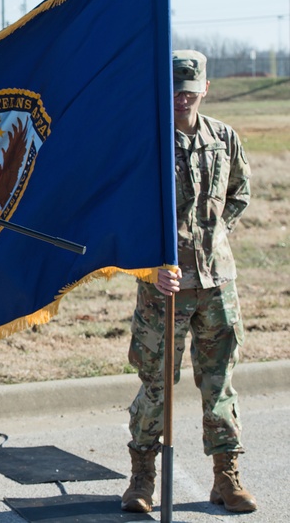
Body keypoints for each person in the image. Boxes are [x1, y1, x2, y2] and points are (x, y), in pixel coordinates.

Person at [122, 50, 256, 514]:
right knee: (157, 383)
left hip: (218, 284)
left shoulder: (224, 138)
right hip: (164, 287)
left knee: (219, 383)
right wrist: (149, 263)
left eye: (189, 91)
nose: (182, 99)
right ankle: (142, 478)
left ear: (204, 90)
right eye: (174, 91)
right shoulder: (148, 142)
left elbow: (240, 191)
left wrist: (214, 236)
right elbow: (127, 215)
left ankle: (226, 477)